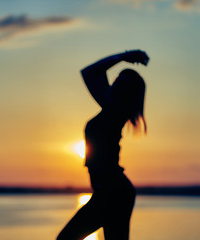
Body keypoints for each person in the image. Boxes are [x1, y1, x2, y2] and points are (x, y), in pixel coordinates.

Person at [57, 50, 149, 240]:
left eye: (123, 83)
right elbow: (89, 73)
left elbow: (89, 73)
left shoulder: (116, 110)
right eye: (118, 78)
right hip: (112, 191)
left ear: (128, 94)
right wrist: (122, 57)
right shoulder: (111, 108)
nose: (116, 83)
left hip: (113, 191)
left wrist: (122, 57)